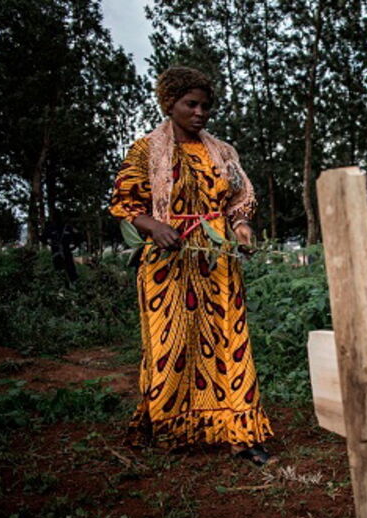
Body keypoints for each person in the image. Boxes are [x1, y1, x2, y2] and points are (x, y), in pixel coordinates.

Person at [109, 66, 275, 465]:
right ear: (169, 103)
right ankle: (175, 431)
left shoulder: (222, 152)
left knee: (228, 342)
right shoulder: (147, 150)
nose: (200, 112)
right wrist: (153, 226)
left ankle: (240, 433)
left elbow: (238, 200)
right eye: (191, 104)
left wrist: (242, 229)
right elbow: (125, 201)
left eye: (205, 106)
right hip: (170, 261)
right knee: (173, 343)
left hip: (216, 262)